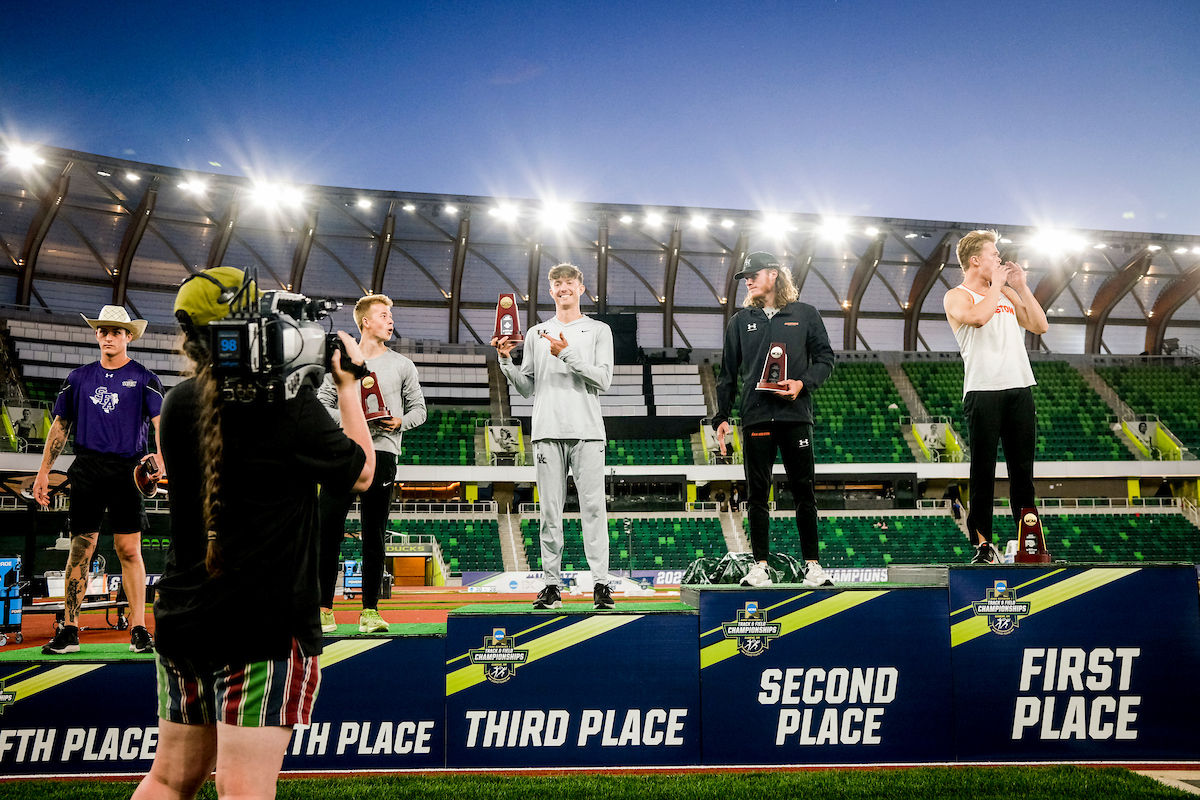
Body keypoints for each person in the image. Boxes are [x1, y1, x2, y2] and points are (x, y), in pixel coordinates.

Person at [132, 267, 375, 800]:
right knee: (244, 790)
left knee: (169, 779)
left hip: (185, 616)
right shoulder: (285, 407)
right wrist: (349, 385)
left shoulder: (176, 402)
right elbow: (360, 473)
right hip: (263, 625)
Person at [34, 305, 165, 655]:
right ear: (96, 335)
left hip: (128, 470)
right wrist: (44, 471)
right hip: (88, 468)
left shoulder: (145, 378)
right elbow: (60, 426)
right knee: (81, 548)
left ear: (128, 337)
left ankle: (139, 629)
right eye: (103, 331)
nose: (108, 336)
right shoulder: (77, 378)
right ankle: (70, 630)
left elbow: (158, 424)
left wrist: (162, 458)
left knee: (129, 550)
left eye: (116, 331)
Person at [493, 263, 616, 610]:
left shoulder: (598, 331)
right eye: (557, 283)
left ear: (581, 288)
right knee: (550, 511)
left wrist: (566, 354)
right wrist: (506, 362)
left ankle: (601, 584)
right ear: (551, 291)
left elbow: (603, 380)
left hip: (588, 432)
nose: (564, 288)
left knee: (594, 509)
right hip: (546, 430)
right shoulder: (535, 332)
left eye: (570, 283)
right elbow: (527, 387)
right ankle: (551, 585)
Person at [713, 252, 836, 588]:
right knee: (756, 494)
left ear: (774, 274)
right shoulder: (740, 321)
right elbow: (727, 375)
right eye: (745, 277)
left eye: (753, 274)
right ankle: (760, 567)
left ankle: (813, 565)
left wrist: (802, 383)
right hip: (755, 417)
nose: (748, 280)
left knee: (804, 492)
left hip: (795, 415)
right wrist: (721, 417)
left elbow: (826, 358)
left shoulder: (805, 314)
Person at [316, 294, 426, 634]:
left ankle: (370, 612)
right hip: (342, 452)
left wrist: (399, 421)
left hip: (384, 454)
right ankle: (322, 609)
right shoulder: (341, 360)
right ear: (366, 322)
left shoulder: (403, 365)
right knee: (327, 529)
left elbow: (419, 411)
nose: (390, 321)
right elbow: (321, 404)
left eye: (390, 315)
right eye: (383, 315)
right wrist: (357, 418)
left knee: (375, 533)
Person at [943, 230, 1048, 564]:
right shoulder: (956, 296)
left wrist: (1021, 288)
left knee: (1022, 472)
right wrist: (999, 287)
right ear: (976, 260)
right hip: (982, 390)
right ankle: (983, 545)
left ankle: (1028, 540)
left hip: (1020, 387)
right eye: (994, 255)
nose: (1000, 260)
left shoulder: (1004, 293)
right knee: (983, 471)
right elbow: (977, 318)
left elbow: (1040, 325)